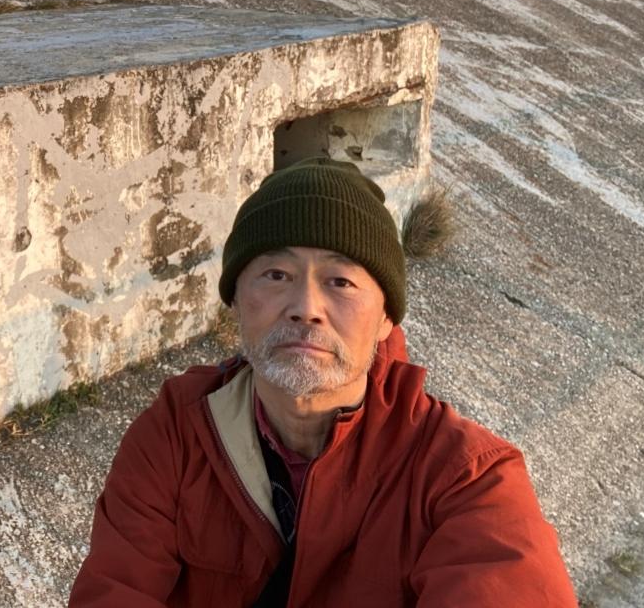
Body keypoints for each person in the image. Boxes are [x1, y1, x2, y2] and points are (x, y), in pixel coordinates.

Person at [70, 158, 578, 607]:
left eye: (341, 281)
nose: (306, 308)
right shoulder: (178, 434)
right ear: (236, 301)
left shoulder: (463, 478)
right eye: (276, 274)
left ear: (386, 318)